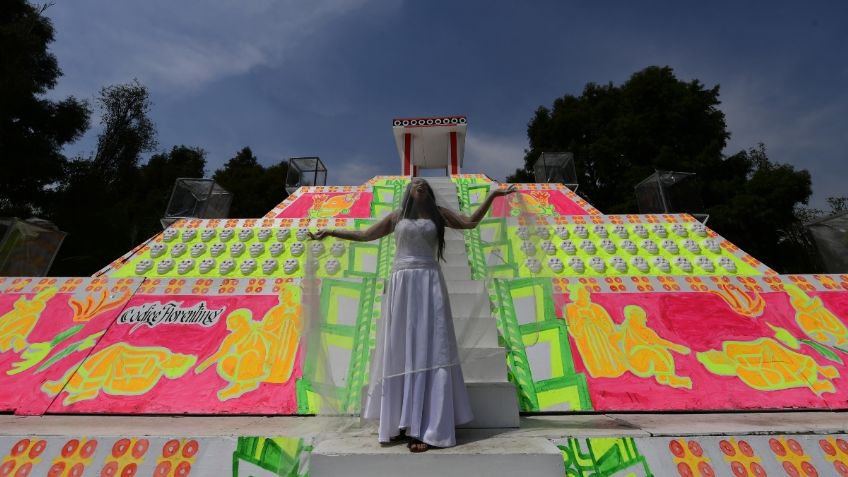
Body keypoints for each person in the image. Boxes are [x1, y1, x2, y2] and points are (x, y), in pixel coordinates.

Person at [309, 177, 516, 452]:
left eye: (424, 184)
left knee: (430, 346)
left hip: (429, 280)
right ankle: (397, 423)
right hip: (402, 282)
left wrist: (492, 196)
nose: (419, 184)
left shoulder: (439, 215)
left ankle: (428, 427)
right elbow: (365, 235)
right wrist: (332, 232)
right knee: (401, 346)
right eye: (415, 182)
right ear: (409, 191)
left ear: (429, 193)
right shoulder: (397, 217)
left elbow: (470, 223)